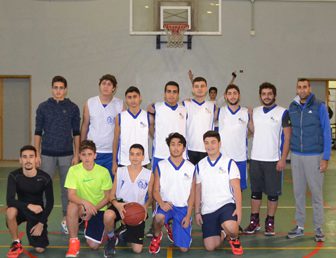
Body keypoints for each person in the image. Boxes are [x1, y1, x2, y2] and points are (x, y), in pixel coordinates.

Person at [34, 75, 80, 233]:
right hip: (47, 154)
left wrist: (76, 154)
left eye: (61, 88)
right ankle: (42, 220)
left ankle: (66, 220)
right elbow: (38, 131)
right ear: (52, 88)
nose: (58, 91)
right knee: (43, 188)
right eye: (55, 87)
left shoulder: (73, 108)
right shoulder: (43, 107)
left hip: (67, 155)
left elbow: (76, 133)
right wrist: (37, 154)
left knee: (67, 190)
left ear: (65, 90)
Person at [287, 78, 331, 242]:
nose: (302, 90)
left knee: (316, 195)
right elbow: (287, 131)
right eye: (299, 87)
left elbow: (327, 132)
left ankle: (319, 228)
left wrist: (325, 157)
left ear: (309, 88)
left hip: (315, 156)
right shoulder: (292, 107)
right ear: (296, 89)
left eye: (305, 87)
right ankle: (299, 226)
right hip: (297, 156)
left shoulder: (319, 106)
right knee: (298, 193)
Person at [244, 82, 291, 236]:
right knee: (255, 192)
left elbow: (287, 138)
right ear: (260, 96)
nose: (266, 96)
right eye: (264, 94)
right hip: (256, 159)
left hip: (273, 160)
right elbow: (253, 132)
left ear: (274, 95)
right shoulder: (255, 112)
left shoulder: (283, 112)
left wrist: (283, 159)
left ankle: (270, 222)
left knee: (272, 194)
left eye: (269, 94)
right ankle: (254, 221)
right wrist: (250, 118)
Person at [147, 82, 187, 238]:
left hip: (179, 157)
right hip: (160, 155)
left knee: (177, 190)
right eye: (169, 91)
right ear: (164, 93)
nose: (171, 94)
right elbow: (151, 126)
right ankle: (155, 223)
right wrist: (156, 138)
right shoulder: (156, 107)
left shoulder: (185, 109)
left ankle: (171, 222)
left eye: (175, 92)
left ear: (178, 94)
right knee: (156, 191)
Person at [195, 131, 243, 256]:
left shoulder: (229, 163)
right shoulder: (200, 165)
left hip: (225, 206)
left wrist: (239, 209)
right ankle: (223, 232)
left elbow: (236, 188)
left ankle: (233, 238)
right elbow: (198, 190)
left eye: (213, 142)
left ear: (219, 143)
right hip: (208, 210)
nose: (210, 146)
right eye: (206, 143)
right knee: (210, 247)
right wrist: (197, 212)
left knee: (232, 228)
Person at [64, 140, 112, 258]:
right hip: (82, 206)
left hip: (98, 208)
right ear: (79, 156)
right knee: (71, 206)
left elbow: (107, 197)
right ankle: (74, 243)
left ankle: (93, 228)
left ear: (95, 155)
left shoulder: (103, 172)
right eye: (84, 154)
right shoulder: (74, 170)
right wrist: (85, 203)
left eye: (90, 154)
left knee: (94, 246)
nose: (87, 158)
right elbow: (71, 195)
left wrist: (93, 209)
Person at [104, 144, 154, 256]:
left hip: (137, 210)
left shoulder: (149, 174)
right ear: (129, 156)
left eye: (138, 154)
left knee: (137, 250)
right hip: (121, 205)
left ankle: (122, 232)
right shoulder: (121, 171)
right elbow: (111, 195)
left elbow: (151, 197)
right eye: (132, 154)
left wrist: (145, 207)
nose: (135, 157)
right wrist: (117, 205)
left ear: (143, 157)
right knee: (108, 215)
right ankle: (111, 238)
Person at [149, 133, 195, 254]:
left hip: (182, 208)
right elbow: (155, 190)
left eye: (179, 145)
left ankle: (171, 226)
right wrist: (161, 203)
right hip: (166, 205)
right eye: (172, 144)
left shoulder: (191, 167)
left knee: (183, 249)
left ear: (184, 148)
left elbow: (192, 195)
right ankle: (156, 236)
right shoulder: (161, 165)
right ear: (169, 147)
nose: (175, 147)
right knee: (159, 218)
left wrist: (188, 215)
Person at [6, 145, 54, 257]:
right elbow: (10, 200)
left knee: (40, 249)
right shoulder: (14, 176)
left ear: (36, 159)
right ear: (20, 160)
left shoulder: (45, 178)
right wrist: (28, 205)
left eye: (31, 156)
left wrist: (41, 223)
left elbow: (50, 203)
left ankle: (33, 226)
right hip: (22, 208)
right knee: (10, 211)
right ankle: (16, 243)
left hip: (37, 212)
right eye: (24, 157)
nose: (28, 160)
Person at [80, 74, 124, 179]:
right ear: (99, 86)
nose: (106, 86)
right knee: (93, 184)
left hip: (111, 153)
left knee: (110, 185)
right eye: (103, 83)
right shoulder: (90, 102)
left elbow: (122, 131)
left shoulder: (120, 104)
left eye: (109, 84)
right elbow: (85, 126)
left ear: (114, 88)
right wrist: (81, 148)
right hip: (92, 152)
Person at [218, 84, 252, 192]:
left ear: (239, 95)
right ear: (225, 96)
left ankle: (237, 209)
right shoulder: (220, 111)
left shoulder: (246, 112)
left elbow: (252, 130)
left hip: (240, 157)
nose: (232, 96)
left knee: (238, 189)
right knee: (223, 188)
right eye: (229, 93)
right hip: (223, 158)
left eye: (235, 93)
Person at [112, 86, 152, 175]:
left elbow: (155, 137)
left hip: (143, 161)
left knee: (142, 188)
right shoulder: (120, 117)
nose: (132, 100)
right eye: (129, 97)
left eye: (135, 96)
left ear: (140, 98)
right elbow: (115, 140)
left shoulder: (148, 117)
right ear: (126, 100)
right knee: (123, 189)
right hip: (124, 161)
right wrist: (114, 161)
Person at [183, 77, 216, 165]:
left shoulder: (212, 106)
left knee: (205, 178)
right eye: (197, 86)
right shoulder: (185, 104)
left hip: (207, 149)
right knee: (190, 178)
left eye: (202, 86)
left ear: (206, 88)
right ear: (193, 89)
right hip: (190, 148)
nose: (200, 89)